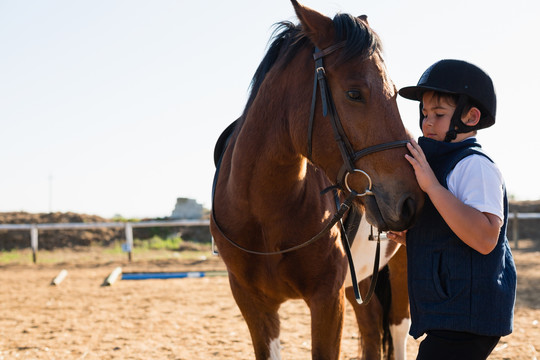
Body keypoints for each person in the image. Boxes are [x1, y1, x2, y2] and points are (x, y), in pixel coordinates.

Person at [387, 59, 517, 360]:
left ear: (470, 117)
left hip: (469, 316)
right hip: (451, 314)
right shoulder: (442, 164)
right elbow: (455, 232)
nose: (427, 123)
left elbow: (485, 238)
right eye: (424, 114)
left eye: (439, 114)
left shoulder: (475, 167)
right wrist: (418, 238)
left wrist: (431, 186)